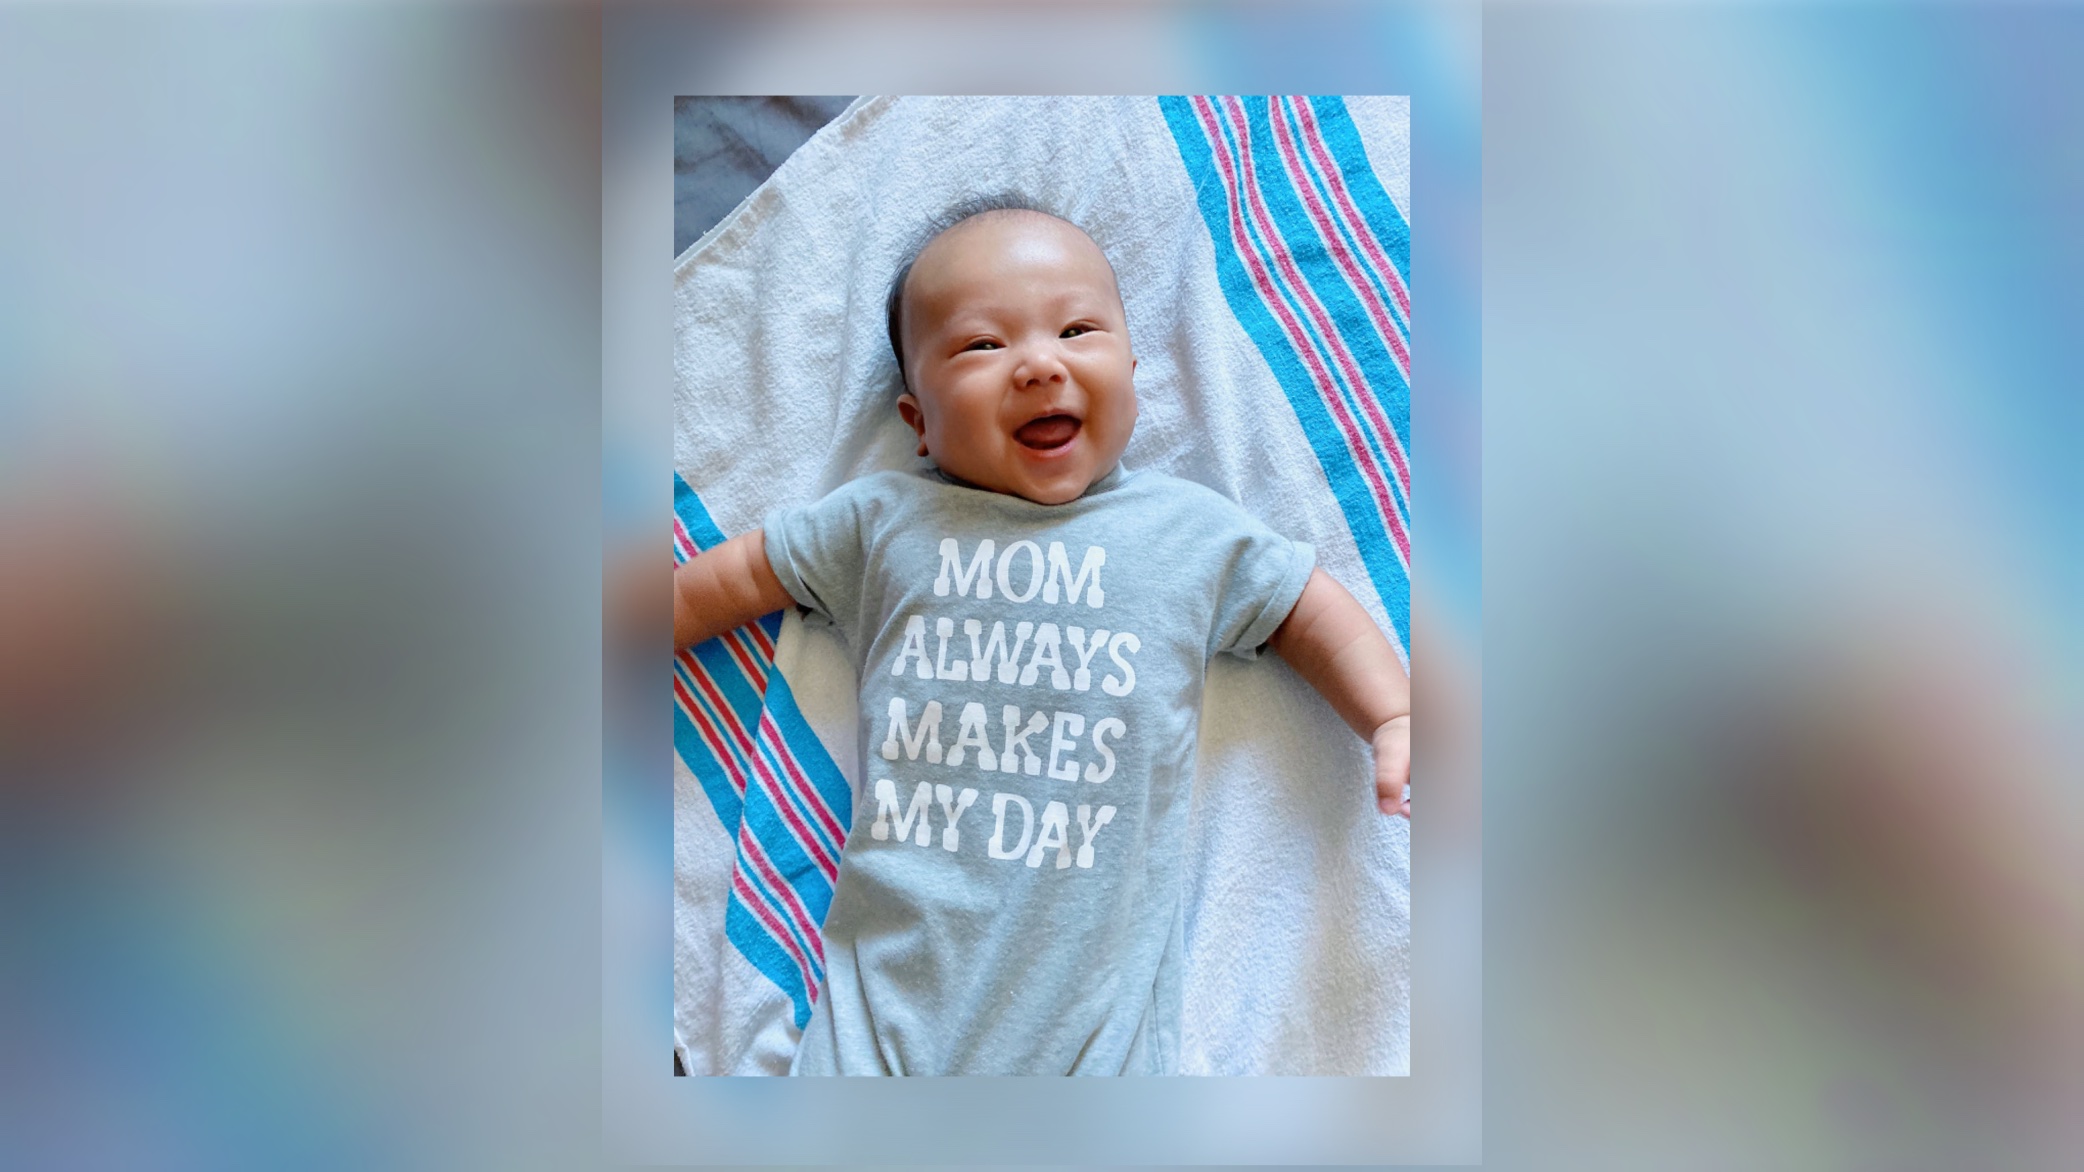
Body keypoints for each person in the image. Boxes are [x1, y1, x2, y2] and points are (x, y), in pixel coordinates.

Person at [673, 199, 1409, 1074]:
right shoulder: (883, 522)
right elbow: (740, 575)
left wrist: (1392, 715)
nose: (1036, 365)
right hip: (884, 1013)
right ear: (916, 421)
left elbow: (1306, 608)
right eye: (982, 345)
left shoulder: (1188, 533)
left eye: (1077, 329)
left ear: (1133, 371)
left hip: (1095, 1031)